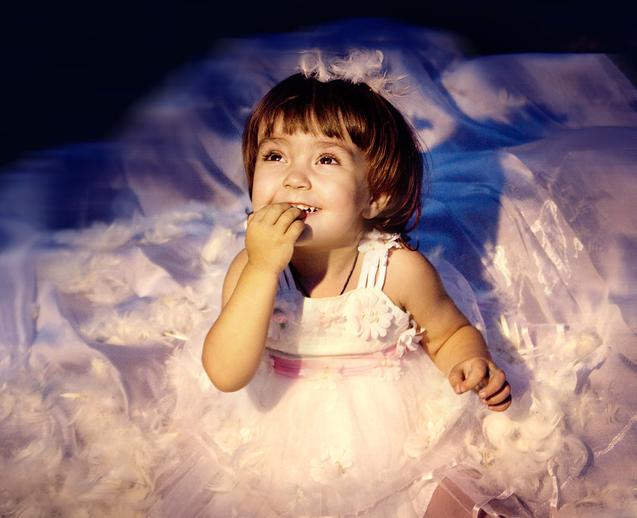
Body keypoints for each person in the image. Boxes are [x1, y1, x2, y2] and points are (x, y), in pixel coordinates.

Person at [152, 51, 511, 518]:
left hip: (387, 431)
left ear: (375, 195)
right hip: (276, 431)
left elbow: (448, 333)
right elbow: (226, 373)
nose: (294, 178)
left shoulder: (398, 270)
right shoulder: (250, 267)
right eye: (275, 156)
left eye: (326, 159)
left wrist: (469, 362)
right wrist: (262, 270)